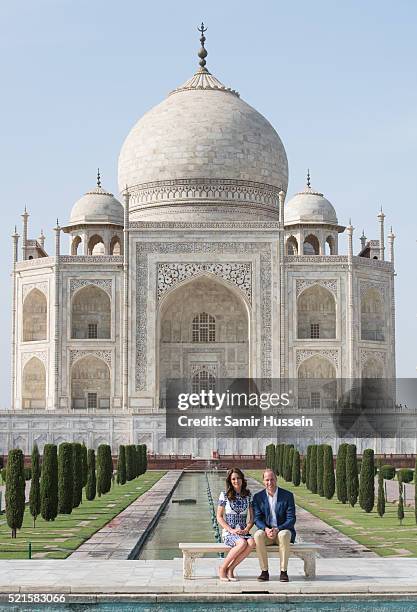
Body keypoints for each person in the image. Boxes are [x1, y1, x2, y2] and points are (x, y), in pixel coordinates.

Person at [252, 468, 296, 582]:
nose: (269, 483)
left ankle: (283, 572)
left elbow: (291, 519)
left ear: (276, 480)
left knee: (284, 534)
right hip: (267, 533)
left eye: (272, 479)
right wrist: (266, 529)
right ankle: (264, 571)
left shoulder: (287, 496)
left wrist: (277, 529)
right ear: (263, 481)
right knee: (257, 535)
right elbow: (257, 518)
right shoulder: (258, 497)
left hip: (282, 531)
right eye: (267, 480)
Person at [216, 467, 255, 581]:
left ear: (242, 480)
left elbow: (252, 517)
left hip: (243, 531)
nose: (236, 481)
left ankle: (231, 569)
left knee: (252, 543)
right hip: (229, 532)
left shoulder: (248, 496)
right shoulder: (224, 495)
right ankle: (223, 568)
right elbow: (219, 516)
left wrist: (247, 528)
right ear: (230, 481)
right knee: (242, 543)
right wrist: (231, 530)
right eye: (233, 479)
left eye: (238, 478)